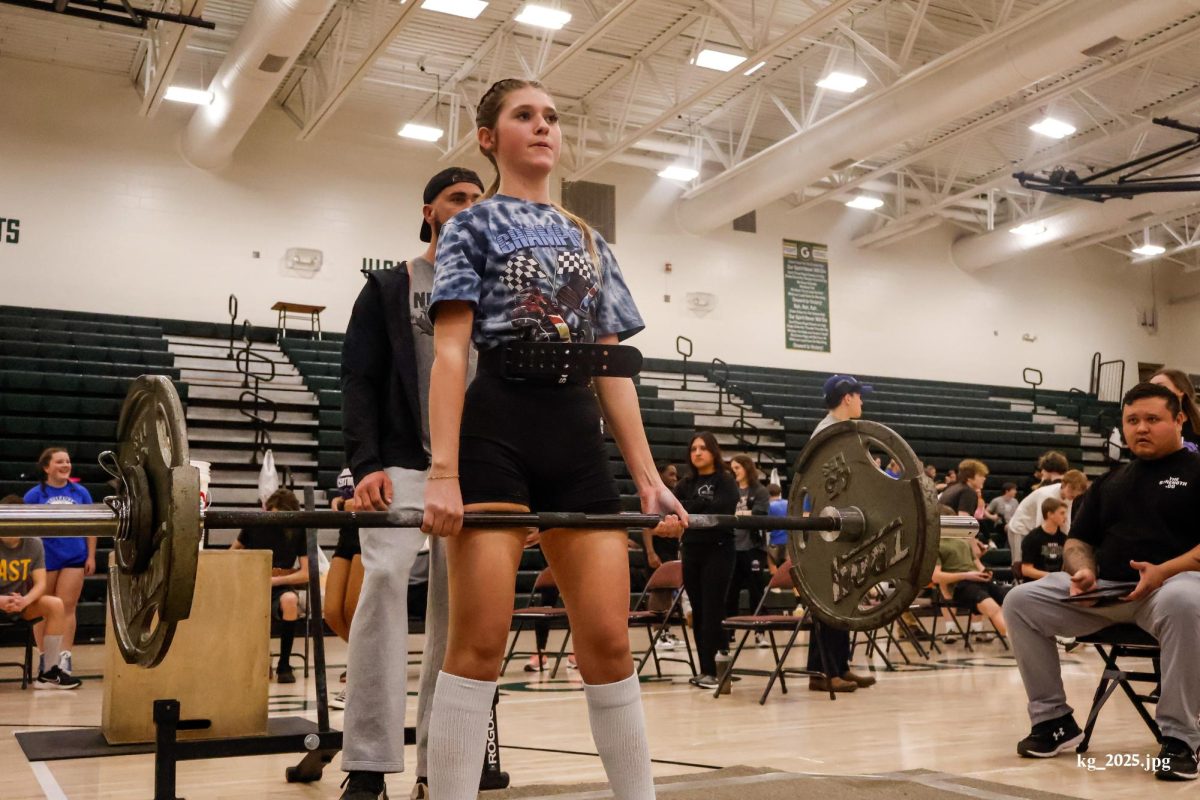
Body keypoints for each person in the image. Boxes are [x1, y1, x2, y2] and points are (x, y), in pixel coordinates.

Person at [420, 77, 686, 800]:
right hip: (495, 432)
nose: (542, 126)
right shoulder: (471, 226)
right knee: (477, 646)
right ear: (488, 137)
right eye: (523, 116)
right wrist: (443, 471)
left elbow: (613, 370)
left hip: (575, 438)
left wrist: (649, 478)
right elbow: (451, 354)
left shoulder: (590, 239)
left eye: (551, 117)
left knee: (606, 642)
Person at [339, 165, 485, 800]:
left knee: (457, 614)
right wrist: (365, 464)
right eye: (457, 198)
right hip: (399, 459)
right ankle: (368, 764)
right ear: (429, 211)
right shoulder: (388, 286)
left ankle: (440, 765)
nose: (469, 208)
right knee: (383, 580)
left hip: (475, 468)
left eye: (480, 201)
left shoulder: (494, 294)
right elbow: (358, 382)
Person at [1004, 382, 1200, 780]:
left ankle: (1180, 739)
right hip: (1106, 592)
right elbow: (1078, 540)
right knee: (1021, 601)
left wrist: (1163, 571)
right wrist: (1082, 570)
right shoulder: (1112, 480)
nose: (1141, 428)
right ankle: (1053, 720)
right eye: (1132, 420)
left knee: (1184, 601)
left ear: (1179, 420)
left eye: (1152, 419)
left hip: (1170, 588)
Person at [805, 375, 878, 692]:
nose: (863, 402)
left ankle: (840, 665)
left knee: (843, 597)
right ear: (847, 398)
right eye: (860, 396)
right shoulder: (828, 433)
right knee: (827, 599)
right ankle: (822, 672)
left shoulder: (842, 431)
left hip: (843, 522)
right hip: (829, 524)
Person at [671, 433, 738, 689]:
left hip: (719, 550)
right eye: (693, 449)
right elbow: (676, 510)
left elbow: (720, 510)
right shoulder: (685, 483)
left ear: (713, 451)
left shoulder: (725, 480)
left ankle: (718, 669)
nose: (697, 453)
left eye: (703, 448)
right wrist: (698, 505)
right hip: (691, 550)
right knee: (697, 612)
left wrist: (692, 508)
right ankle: (705, 670)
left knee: (713, 609)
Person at [23, 447, 95, 678]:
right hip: (45, 557)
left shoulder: (80, 492)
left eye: (67, 461)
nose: (65, 465)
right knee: (45, 608)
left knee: (66, 607)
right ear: (46, 467)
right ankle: (46, 658)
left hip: (74, 556)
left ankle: (64, 656)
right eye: (59, 462)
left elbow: (92, 526)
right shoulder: (34, 495)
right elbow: (25, 531)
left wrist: (91, 555)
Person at [0, 495, 80, 689]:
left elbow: (40, 583)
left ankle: (49, 672)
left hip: (20, 603)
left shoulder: (34, 543)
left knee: (56, 604)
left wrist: (25, 601)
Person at [232, 487, 307, 684]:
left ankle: (284, 664)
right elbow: (233, 552)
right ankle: (259, 660)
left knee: (290, 601)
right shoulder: (254, 524)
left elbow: (306, 573)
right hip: (253, 582)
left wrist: (276, 580)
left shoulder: (298, 529)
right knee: (251, 608)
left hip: (280, 583)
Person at [324, 469, 362, 710]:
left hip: (368, 528)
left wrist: (357, 502)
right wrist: (338, 501)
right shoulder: (353, 446)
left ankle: (361, 679)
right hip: (346, 532)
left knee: (353, 610)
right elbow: (345, 491)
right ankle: (373, 659)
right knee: (332, 612)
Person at [725, 455, 770, 647]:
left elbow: (760, 514)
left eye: (738, 467)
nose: (734, 471)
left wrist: (739, 514)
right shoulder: (730, 489)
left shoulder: (759, 490)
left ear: (746, 468)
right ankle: (728, 633)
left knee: (756, 592)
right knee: (730, 593)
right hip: (731, 547)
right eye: (732, 467)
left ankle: (760, 633)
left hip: (753, 548)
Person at [1006, 470, 1089, 571]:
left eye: (1078, 491)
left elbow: (1065, 522)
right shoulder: (1047, 495)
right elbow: (1041, 524)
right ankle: (1017, 584)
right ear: (1063, 484)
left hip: (1034, 526)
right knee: (1019, 564)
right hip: (1020, 527)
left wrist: (1068, 542)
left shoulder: (1069, 497)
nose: (1075, 493)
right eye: (1072, 489)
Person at [932, 531, 1009, 638]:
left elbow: (977, 563)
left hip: (978, 580)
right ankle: (1017, 641)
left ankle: (977, 629)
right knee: (992, 608)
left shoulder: (964, 542)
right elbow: (936, 577)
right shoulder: (935, 545)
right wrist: (966, 575)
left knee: (1010, 601)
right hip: (961, 585)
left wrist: (985, 572)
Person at [641, 463, 680, 570]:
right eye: (671, 475)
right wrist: (651, 553)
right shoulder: (652, 496)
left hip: (671, 546)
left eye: (676, 475)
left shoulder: (674, 494)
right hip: (657, 546)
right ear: (659, 475)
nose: (675, 478)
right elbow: (646, 527)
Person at [1018, 497, 1068, 581]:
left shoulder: (1064, 538)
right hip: (1036, 585)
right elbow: (1026, 570)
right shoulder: (1032, 538)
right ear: (1050, 514)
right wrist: (1052, 577)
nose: (1065, 517)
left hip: (1057, 583)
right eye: (1062, 513)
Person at [1151, 367, 1200, 451]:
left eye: (1160, 386)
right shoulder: (1149, 425)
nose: (1152, 391)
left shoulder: (1196, 421)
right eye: (1150, 388)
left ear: (1181, 390)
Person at [765, 484, 788, 570]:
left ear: (768, 494)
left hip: (775, 542)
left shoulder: (769, 506)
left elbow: (767, 526)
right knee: (789, 571)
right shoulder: (788, 503)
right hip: (788, 542)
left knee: (773, 570)